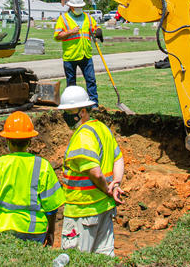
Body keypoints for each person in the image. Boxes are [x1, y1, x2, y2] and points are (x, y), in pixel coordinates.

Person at [0, 111, 65, 245]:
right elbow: (52, 207)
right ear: (30, 141)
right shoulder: (42, 166)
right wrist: (51, 231)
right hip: (34, 230)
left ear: (7, 140)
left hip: (2, 228)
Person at [58, 86, 125, 256]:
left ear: (82, 112)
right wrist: (115, 184)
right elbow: (118, 158)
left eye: (68, 111)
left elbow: (94, 172)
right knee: (103, 259)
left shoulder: (83, 136)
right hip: (104, 209)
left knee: (75, 259)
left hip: (83, 211)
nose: (65, 116)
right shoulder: (102, 128)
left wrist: (106, 189)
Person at [54, 0, 103, 108]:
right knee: (71, 85)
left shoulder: (88, 17)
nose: (79, 9)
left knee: (91, 81)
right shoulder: (63, 19)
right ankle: (73, 107)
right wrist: (70, 32)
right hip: (70, 56)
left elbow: (95, 28)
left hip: (86, 54)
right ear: (71, 7)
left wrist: (99, 31)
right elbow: (57, 36)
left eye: (81, 7)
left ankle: (94, 105)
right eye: (77, 7)